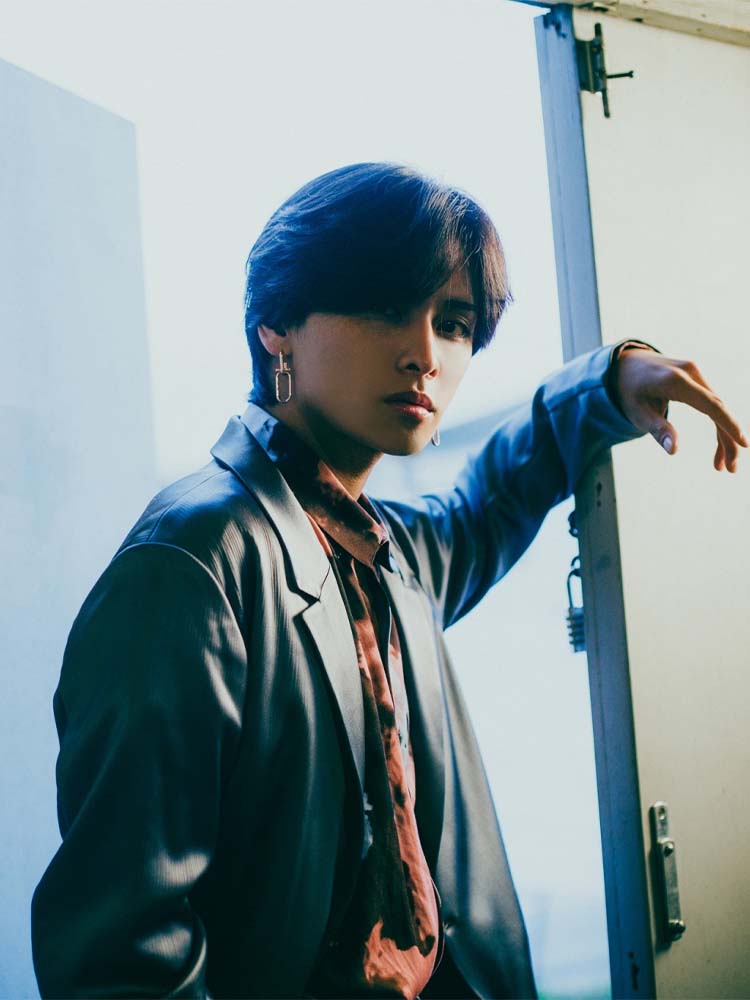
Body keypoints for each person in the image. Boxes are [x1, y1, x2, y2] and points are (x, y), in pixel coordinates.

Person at [31, 162, 746, 999]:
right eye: (382, 308)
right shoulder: (192, 562)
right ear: (276, 328)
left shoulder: (388, 552)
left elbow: (491, 500)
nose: (424, 355)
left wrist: (610, 382)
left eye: (454, 323)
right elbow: (121, 952)